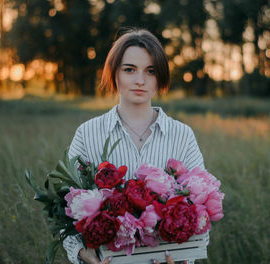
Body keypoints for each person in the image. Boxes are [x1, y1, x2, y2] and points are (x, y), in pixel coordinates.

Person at [63, 28, 209, 264]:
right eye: (130, 69)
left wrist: (185, 259)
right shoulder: (87, 134)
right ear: (115, 73)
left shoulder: (182, 136)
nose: (140, 80)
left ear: (160, 76)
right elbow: (65, 210)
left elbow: (201, 212)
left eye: (150, 71)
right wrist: (82, 253)